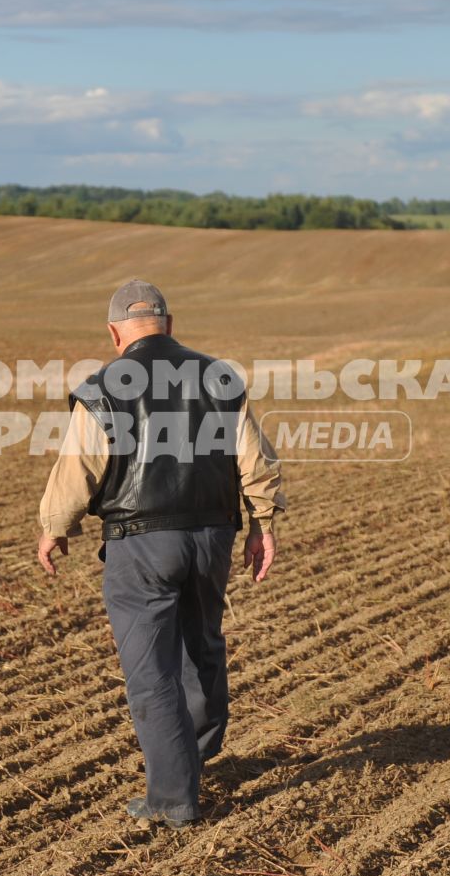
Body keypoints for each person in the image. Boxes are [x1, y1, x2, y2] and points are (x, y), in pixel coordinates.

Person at [35, 279, 285, 829]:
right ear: (169, 325)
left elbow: (79, 468)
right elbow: (254, 458)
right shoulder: (219, 378)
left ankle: (173, 797)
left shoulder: (101, 387)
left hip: (140, 542)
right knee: (203, 643)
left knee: (151, 669)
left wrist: (55, 526)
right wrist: (262, 523)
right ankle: (193, 753)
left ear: (114, 333)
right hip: (212, 536)